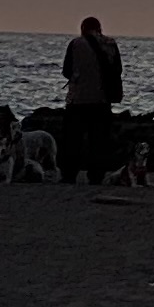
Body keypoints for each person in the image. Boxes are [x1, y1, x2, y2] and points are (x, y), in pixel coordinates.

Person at [60, 14, 123, 186]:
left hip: (78, 100)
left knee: (72, 140)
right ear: (100, 28)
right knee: (99, 141)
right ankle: (96, 176)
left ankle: (69, 175)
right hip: (102, 100)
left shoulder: (76, 44)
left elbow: (66, 71)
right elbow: (118, 70)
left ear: (82, 29)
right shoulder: (111, 44)